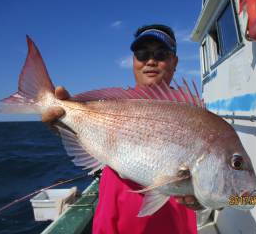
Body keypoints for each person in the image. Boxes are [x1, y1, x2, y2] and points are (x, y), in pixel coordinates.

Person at [42, 24, 202, 234]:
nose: (150, 61)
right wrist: (69, 129)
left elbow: (239, 196)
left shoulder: (195, 114)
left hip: (172, 222)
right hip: (114, 217)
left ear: (174, 61)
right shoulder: (114, 105)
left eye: (161, 54)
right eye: (142, 54)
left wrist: (204, 199)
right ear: (134, 61)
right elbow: (95, 146)